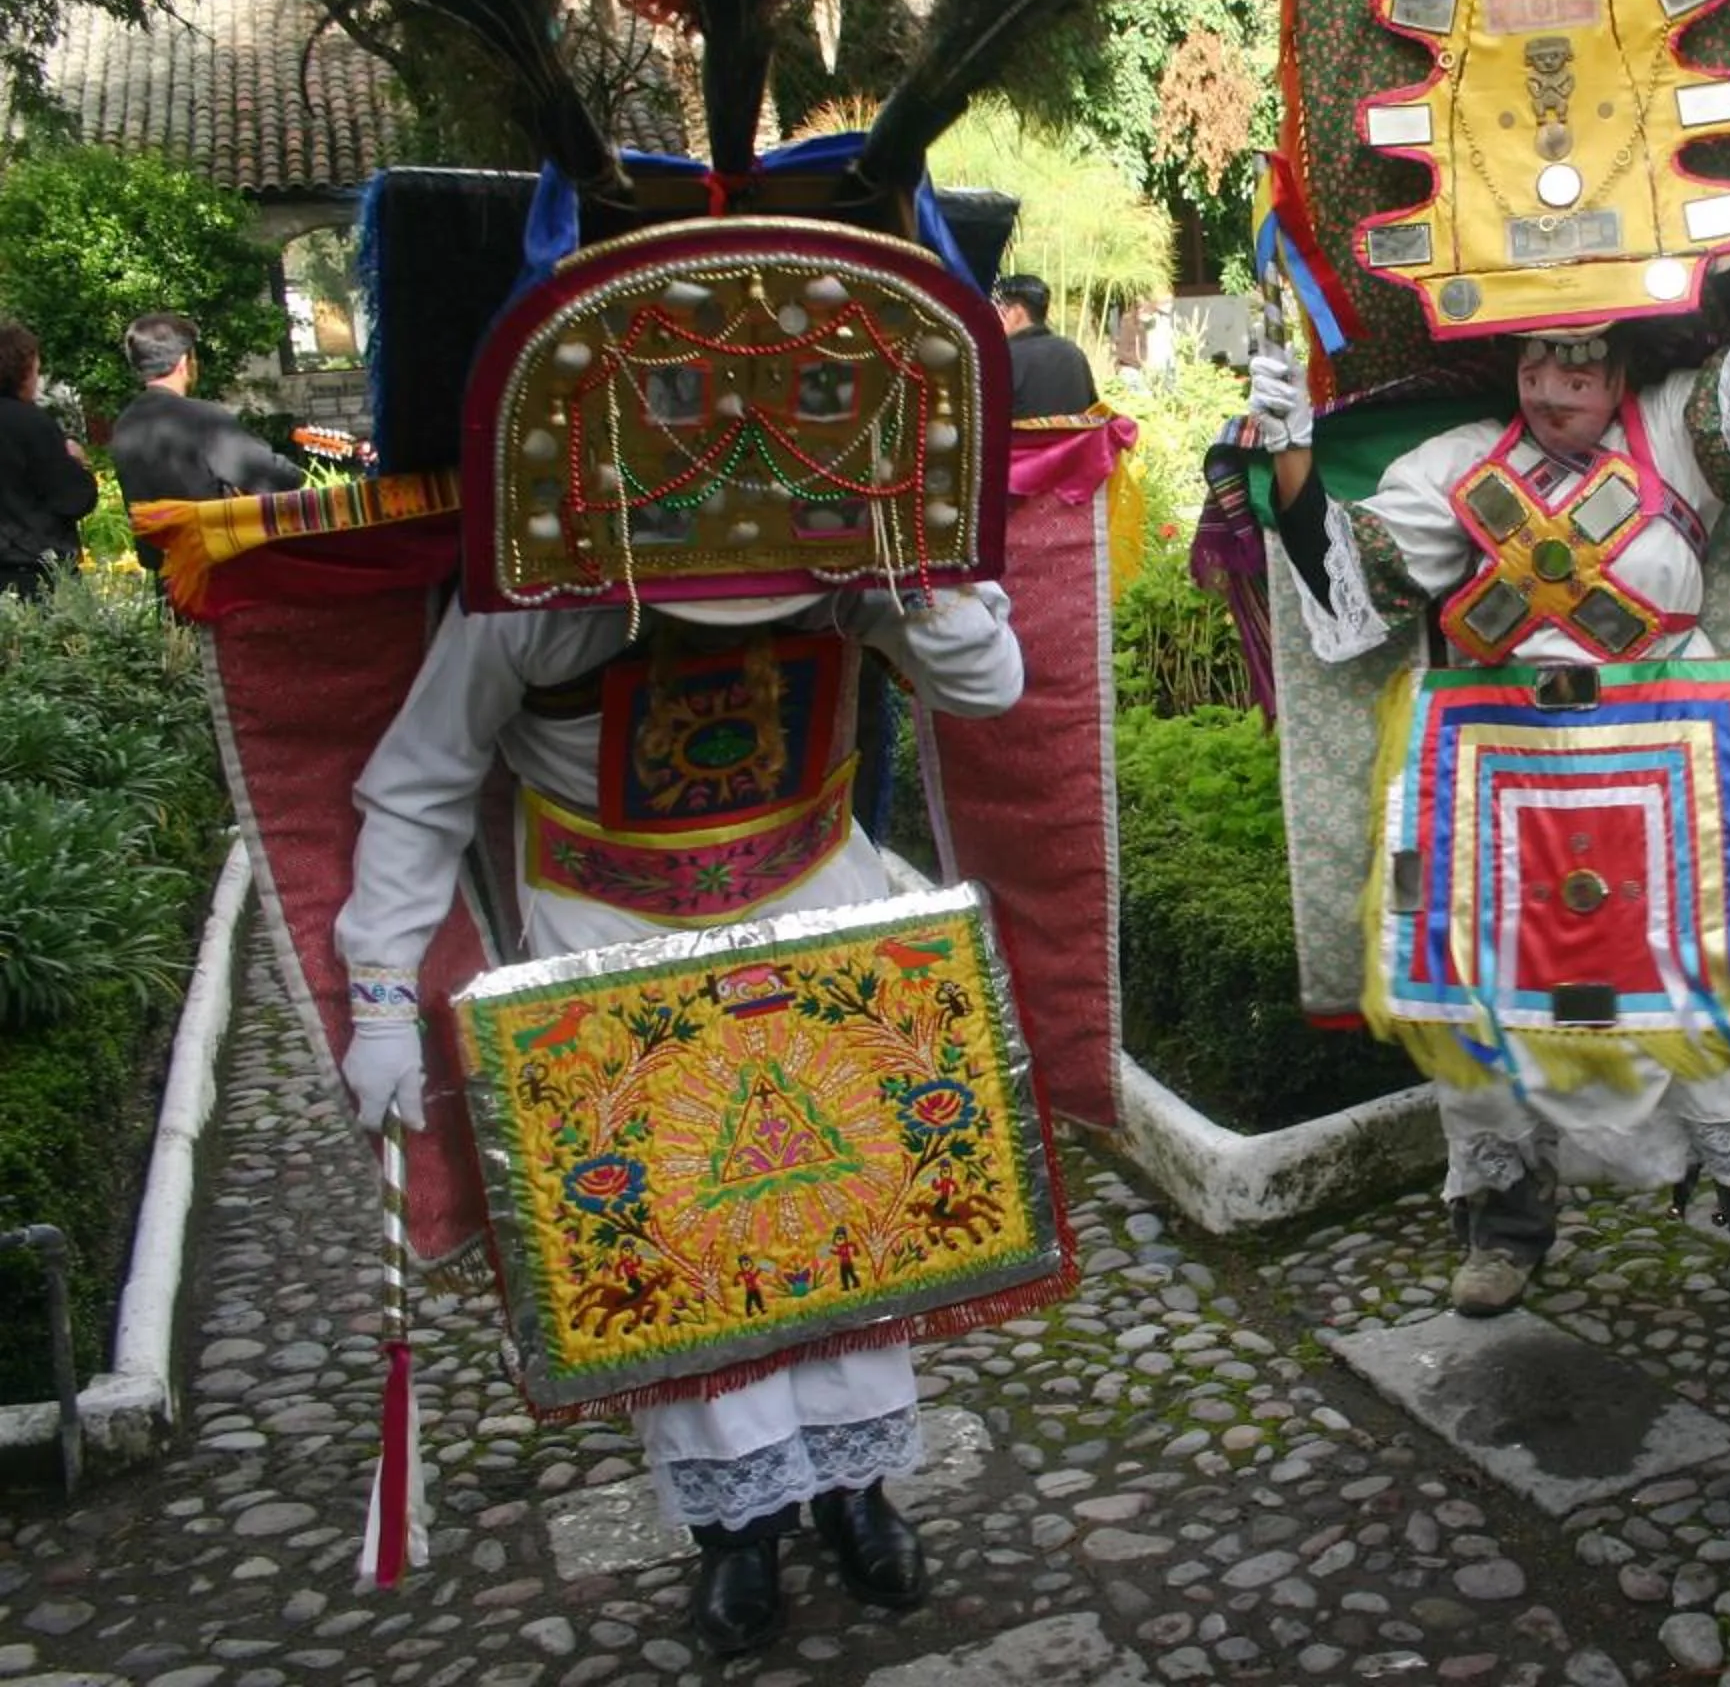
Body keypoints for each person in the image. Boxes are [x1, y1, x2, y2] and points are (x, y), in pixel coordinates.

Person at [335, 574, 1028, 1656]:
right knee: (679, 1260)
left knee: (856, 1234)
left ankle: (858, 1488)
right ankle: (735, 1527)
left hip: (819, 925)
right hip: (611, 960)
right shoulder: (532, 599)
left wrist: (922, 576)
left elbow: (989, 685)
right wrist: (378, 985)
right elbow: (421, 784)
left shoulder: (842, 560)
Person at [1247, 249, 1730, 1326]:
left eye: (1580, 364)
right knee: (1481, 1010)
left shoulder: (1679, 431)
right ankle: (1503, 1220)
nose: (1554, 384)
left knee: (1698, 999)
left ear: (1624, 366)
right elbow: (1358, 570)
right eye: (1537, 360)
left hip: (1668, 768)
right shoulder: (1457, 466)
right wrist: (1288, 449)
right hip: (1503, 778)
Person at [107, 313, 304, 571]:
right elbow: (276, 478)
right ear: (184, 362)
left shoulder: (125, 423)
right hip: (216, 572)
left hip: (168, 573)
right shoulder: (201, 418)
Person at [0, 322, 98, 599]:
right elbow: (74, 498)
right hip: (35, 568)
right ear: (21, 372)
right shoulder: (31, 423)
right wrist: (77, 462)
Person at [993, 274, 1097, 416]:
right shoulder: (1074, 353)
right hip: (1074, 438)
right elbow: (1093, 411)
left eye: (997, 310)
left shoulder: (1002, 357)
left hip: (1018, 438)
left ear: (1016, 313)